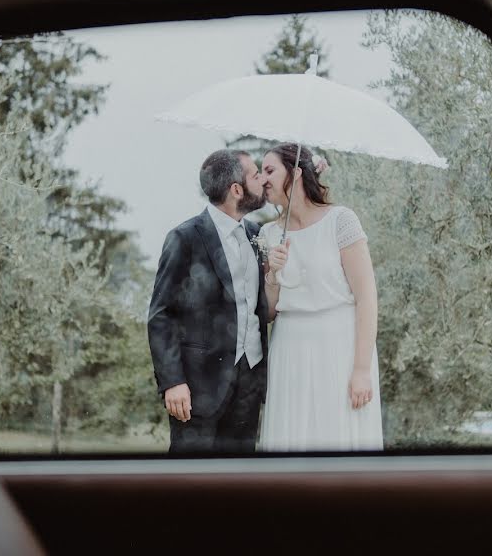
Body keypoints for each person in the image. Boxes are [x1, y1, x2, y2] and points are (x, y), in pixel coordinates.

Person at [258, 143, 383, 451]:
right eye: (261, 173)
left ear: (297, 173)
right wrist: (272, 275)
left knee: (338, 435)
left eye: (270, 171)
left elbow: (367, 298)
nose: (263, 180)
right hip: (289, 349)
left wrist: (361, 370)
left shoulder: (341, 221)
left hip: (339, 348)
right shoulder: (268, 235)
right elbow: (269, 312)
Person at [148, 149, 268, 453]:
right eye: (256, 175)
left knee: (238, 485)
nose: (262, 181)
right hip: (198, 388)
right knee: (189, 484)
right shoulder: (185, 237)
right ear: (236, 190)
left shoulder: (259, 235)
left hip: (249, 382)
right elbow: (161, 315)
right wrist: (172, 381)